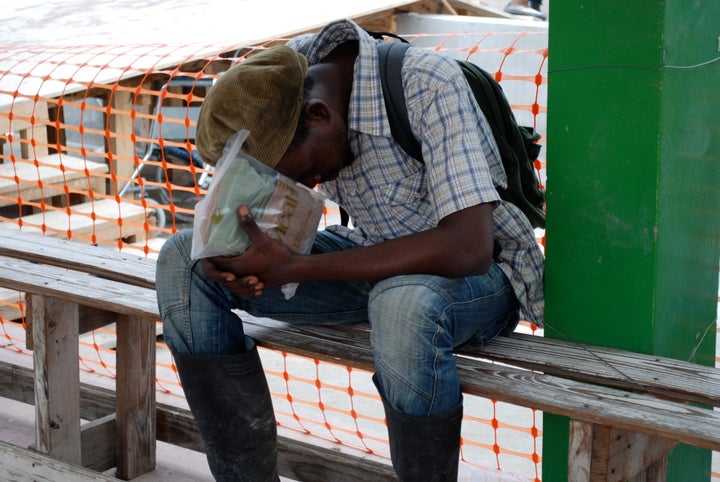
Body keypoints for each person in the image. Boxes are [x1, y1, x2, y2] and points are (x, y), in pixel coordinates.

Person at [156, 19, 544, 482]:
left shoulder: (427, 84)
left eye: (305, 170)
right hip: (372, 258)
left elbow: (468, 247)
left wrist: (296, 267)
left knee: (401, 303)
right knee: (183, 260)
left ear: (320, 115)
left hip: (474, 281)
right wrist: (238, 258)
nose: (307, 186)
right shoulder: (283, 78)